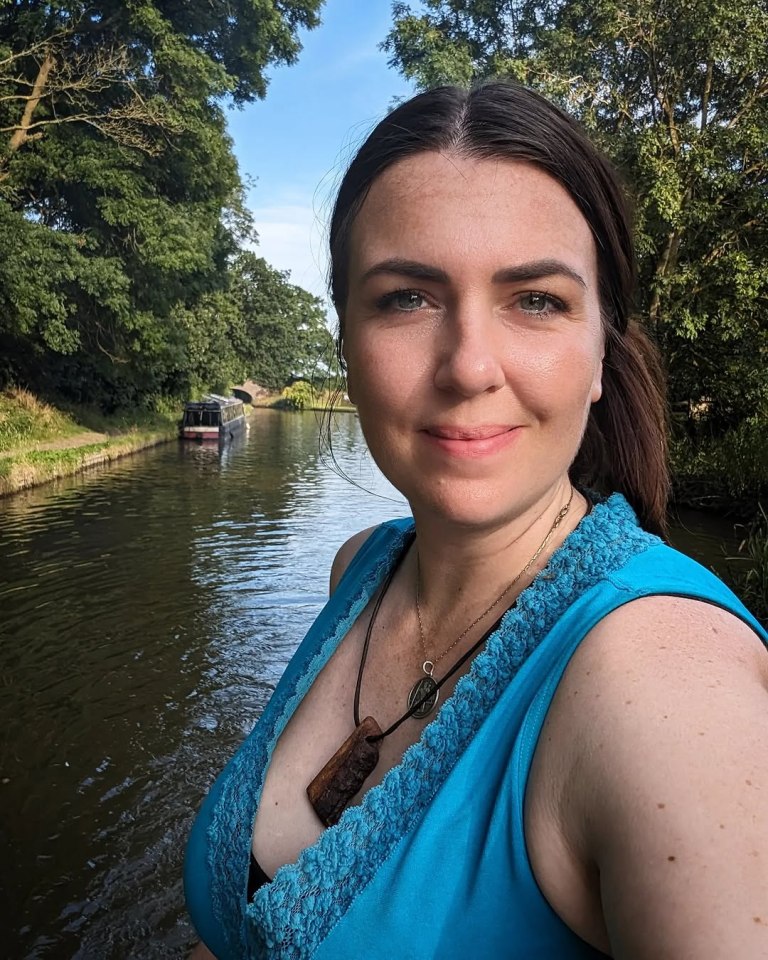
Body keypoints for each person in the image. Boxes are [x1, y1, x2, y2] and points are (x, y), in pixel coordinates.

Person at [184, 82, 768, 960]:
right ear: (346, 342)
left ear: (601, 350)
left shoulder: (664, 688)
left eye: (535, 299)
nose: (468, 366)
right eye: (407, 298)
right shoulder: (361, 570)